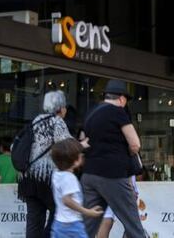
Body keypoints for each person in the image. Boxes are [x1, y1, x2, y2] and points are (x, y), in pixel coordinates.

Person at [81, 79, 146, 238]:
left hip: (89, 174)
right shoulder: (118, 111)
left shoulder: (91, 113)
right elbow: (135, 144)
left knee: (89, 224)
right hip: (113, 174)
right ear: (122, 98)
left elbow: (82, 141)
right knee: (133, 223)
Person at [18, 90, 72, 238]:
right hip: (46, 178)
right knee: (59, 213)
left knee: (34, 220)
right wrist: (83, 145)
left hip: (28, 178)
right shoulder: (57, 121)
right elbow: (67, 147)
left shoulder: (36, 120)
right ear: (61, 108)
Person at [50, 138, 103, 237]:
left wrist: (80, 145)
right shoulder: (70, 178)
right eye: (80, 155)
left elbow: (64, 155)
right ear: (75, 162)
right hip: (72, 225)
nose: (82, 156)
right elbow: (67, 200)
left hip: (58, 223)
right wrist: (87, 212)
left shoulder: (56, 173)